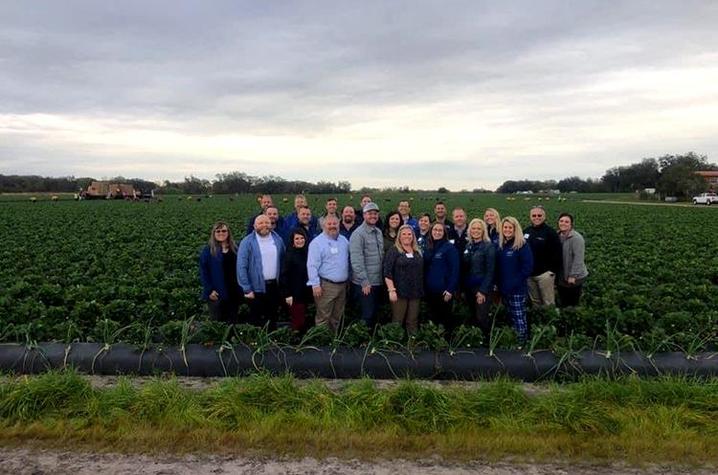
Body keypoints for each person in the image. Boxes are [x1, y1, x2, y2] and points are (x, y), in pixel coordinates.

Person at [237, 214, 286, 329]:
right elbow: (241, 266)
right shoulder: (247, 242)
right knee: (257, 317)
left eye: (267, 223)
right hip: (256, 287)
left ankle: (272, 342)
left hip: (274, 285)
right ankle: (257, 343)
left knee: (272, 315)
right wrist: (246, 288)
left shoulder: (278, 239)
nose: (264, 225)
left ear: (271, 225)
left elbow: (284, 261)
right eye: (260, 223)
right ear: (254, 226)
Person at [307, 215, 350, 333]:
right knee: (323, 316)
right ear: (323, 226)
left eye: (335, 224)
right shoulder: (317, 243)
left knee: (337, 316)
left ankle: (332, 341)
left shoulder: (344, 240)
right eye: (329, 224)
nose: (332, 226)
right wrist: (315, 284)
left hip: (342, 286)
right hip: (326, 285)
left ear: (339, 224)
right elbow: (312, 265)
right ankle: (321, 343)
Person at [496, 217, 534, 344]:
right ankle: (513, 341)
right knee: (510, 316)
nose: (507, 230)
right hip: (504, 288)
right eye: (505, 227)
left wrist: (514, 283)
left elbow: (527, 268)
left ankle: (522, 343)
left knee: (519, 317)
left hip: (517, 289)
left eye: (510, 228)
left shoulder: (522, 245)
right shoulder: (501, 245)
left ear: (515, 229)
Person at [349, 202, 385, 327]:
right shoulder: (358, 234)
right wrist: (364, 281)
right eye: (370, 213)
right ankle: (363, 342)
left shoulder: (378, 232)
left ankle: (371, 340)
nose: (373, 216)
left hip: (377, 281)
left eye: (375, 214)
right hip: (365, 284)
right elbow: (356, 260)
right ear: (364, 215)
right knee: (367, 315)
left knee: (374, 313)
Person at [383, 225, 424, 335]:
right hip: (400, 292)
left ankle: (412, 344)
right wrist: (391, 290)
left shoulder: (417, 251)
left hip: (415, 292)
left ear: (413, 236)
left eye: (409, 234)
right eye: (404, 234)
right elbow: (387, 272)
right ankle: (393, 343)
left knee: (413, 320)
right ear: (399, 236)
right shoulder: (394, 250)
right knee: (397, 320)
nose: (407, 236)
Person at [199, 221, 242, 323]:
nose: (221, 233)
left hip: (233, 290)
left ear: (228, 233)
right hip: (217, 292)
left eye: (224, 231)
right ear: (213, 234)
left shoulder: (235, 249)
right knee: (218, 321)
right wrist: (209, 290)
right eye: (217, 231)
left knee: (233, 320)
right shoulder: (208, 251)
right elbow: (204, 273)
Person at [423, 221, 460, 333]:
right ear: (431, 231)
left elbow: (455, 270)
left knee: (445, 319)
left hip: (444, 291)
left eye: (440, 230)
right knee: (432, 318)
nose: (437, 232)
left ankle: (447, 344)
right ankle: (434, 342)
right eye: (435, 230)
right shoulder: (428, 246)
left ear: (444, 233)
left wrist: (450, 289)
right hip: (429, 290)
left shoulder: (449, 248)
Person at [463, 219, 496, 339]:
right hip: (469, 287)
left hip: (481, 288)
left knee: (482, 317)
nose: (475, 231)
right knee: (473, 316)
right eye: (473, 228)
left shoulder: (488, 247)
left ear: (483, 231)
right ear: (470, 230)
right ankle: (476, 341)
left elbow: (490, 271)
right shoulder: (469, 246)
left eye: (478, 229)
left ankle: (487, 341)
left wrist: (483, 291)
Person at [525, 206, 562, 307]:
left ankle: (551, 321)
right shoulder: (526, 231)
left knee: (548, 302)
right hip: (530, 275)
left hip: (544, 275)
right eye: (534, 215)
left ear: (544, 217)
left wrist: (551, 271)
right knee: (535, 302)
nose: (536, 217)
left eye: (539, 215)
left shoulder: (550, 232)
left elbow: (558, 253)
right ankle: (539, 320)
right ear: (530, 217)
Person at [280, 228, 313, 333]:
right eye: (297, 239)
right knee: (297, 321)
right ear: (292, 241)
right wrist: (287, 294)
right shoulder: (289, 255)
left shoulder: (309, 253)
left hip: (307, 292)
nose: (300, 241)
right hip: (294, 294)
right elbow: (284, 276)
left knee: (305, 319)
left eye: (302, 238)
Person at [556, 213, 588, 307]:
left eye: (567, 221)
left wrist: (573, 275)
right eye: (561, 221)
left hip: (574, 276)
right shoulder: (557, 235)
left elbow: (579, 258)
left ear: (571, 224)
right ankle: (565, 314)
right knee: (563, 299)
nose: (563, 223)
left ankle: (573, 315)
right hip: (562, 275)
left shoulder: (576, 238)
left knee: (573, 301)